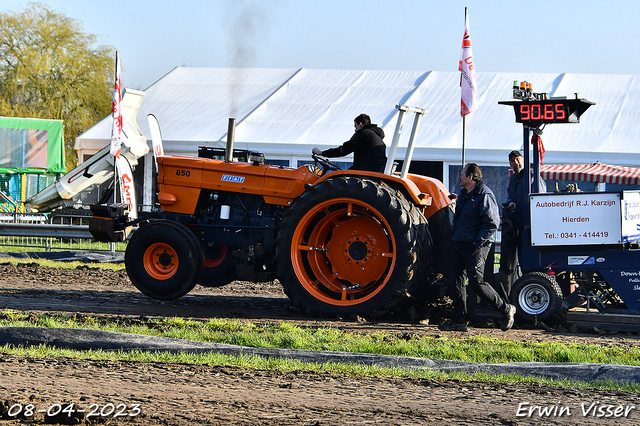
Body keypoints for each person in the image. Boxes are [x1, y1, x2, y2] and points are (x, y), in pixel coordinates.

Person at [439, 163, 516, 332]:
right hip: (459, 243)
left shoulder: (485, 195)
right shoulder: (464, 194)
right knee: (455, 281)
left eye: (462, 174)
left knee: (476, 282)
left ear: (471, 178)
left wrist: (478, 241)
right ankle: (459, 321)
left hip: (475, 245)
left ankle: (506, 309)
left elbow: (492, 223)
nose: (459, 177)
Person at [502, 150, 547, 279]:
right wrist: (511, 202)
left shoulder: (533, 177)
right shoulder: (513, 179)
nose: (515, 163)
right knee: (521, 259)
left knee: (531, 259)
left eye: (517, 159)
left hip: (532, 227)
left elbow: (541, 202)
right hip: (518, 225)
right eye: (512, 161)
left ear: (523, 160)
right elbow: (509, 196)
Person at [312, 114, 387, 173]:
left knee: (341, 181)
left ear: (360, 124)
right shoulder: (375, 135)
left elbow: (344, 150)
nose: (355, 130)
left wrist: (321, 153)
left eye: (355, 126)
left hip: (366, 170)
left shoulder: (364, 133)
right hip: (375, 169)